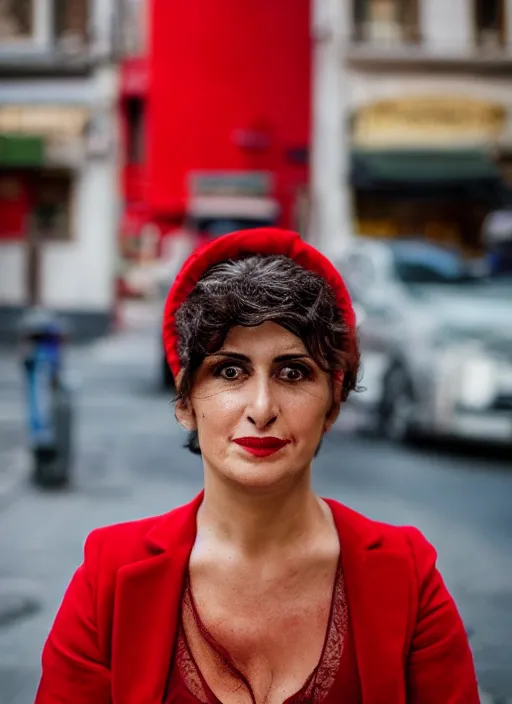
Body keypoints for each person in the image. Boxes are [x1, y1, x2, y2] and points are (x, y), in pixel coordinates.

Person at [35, 228, 479, 703]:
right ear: (186, 402)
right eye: (230, 371)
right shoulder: (111, 575)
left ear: (333, 404)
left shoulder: (407, 577)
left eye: (293, 372)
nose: (262, 407)